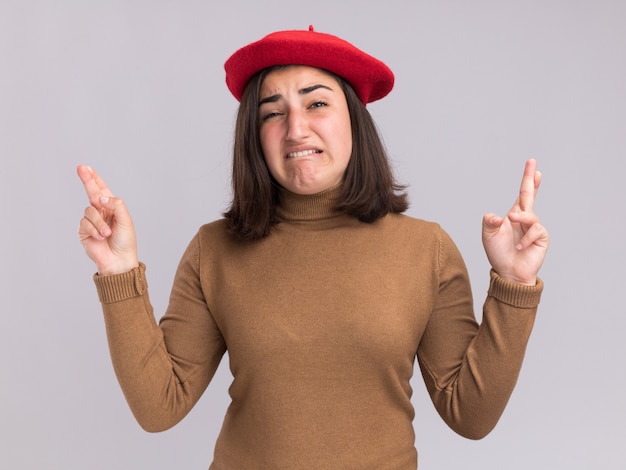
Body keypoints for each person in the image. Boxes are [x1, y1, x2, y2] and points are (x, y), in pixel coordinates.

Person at [77, 26, 549, 469]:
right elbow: (160, 406)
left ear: (354, 122)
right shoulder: (214, 250)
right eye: (272, 112)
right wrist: (120, 274)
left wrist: (514, 285)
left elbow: (470, 415)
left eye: (317, 104)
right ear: (255, 137)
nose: (296, 129)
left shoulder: (426, 250)